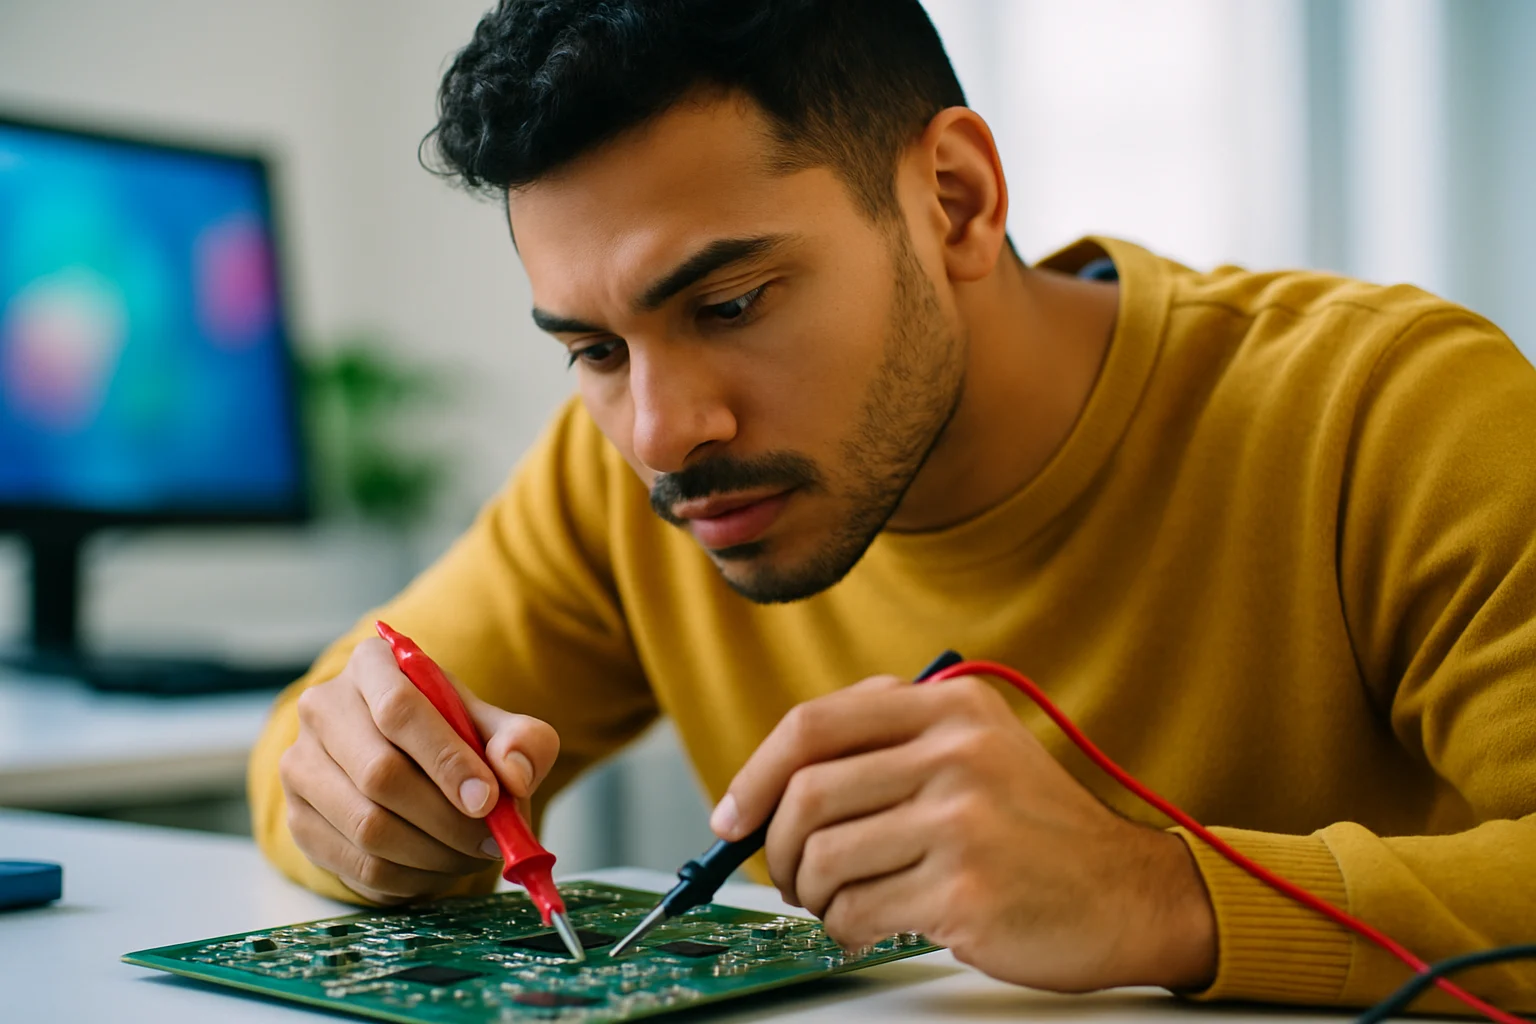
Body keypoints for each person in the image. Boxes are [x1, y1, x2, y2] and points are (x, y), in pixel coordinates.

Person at [249, 0, 1536, 1011]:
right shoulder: (619, 482)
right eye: (592, 348)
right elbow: (317, 742)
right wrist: (368, 800)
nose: (658, 431)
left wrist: (1157, 894)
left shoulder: (1392, 412)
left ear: (954, 202)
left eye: (730, 305)